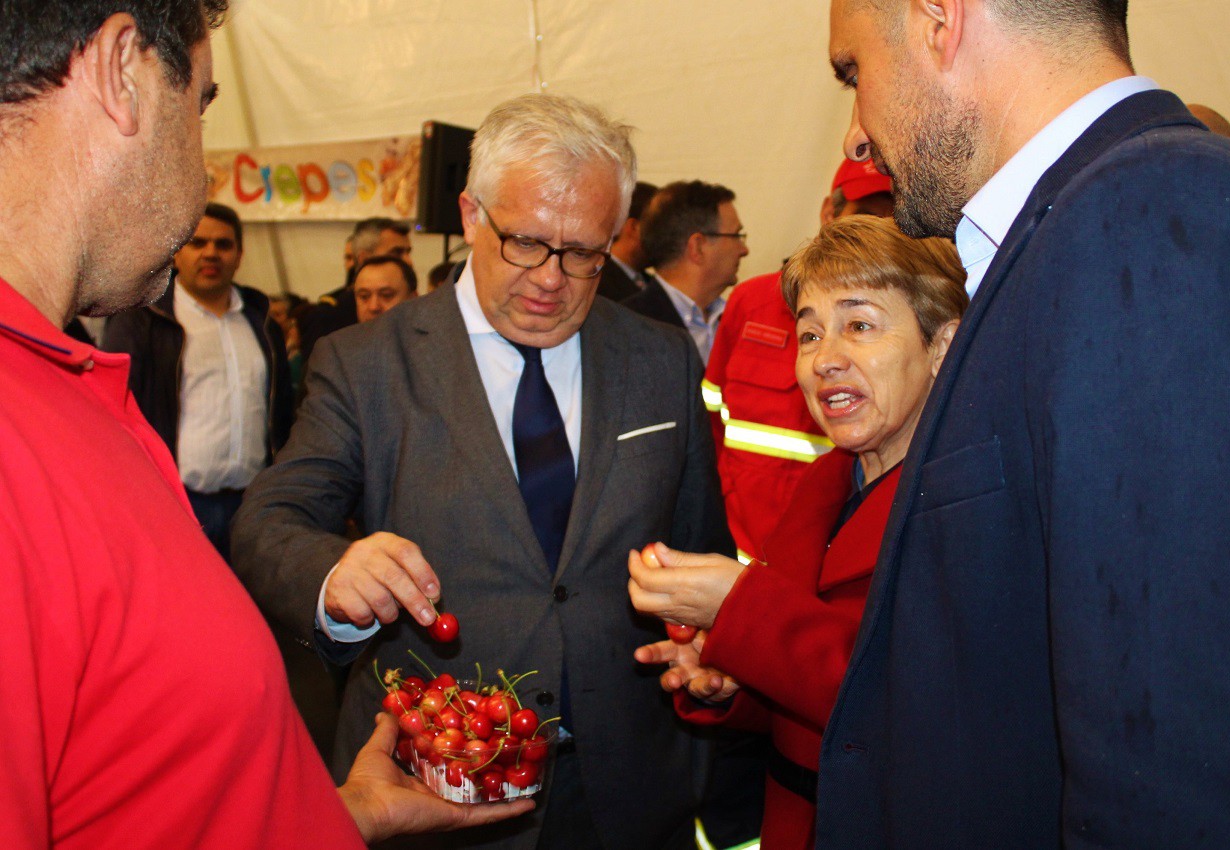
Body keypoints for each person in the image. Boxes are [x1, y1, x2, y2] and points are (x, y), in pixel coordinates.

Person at [0, 1, 531, 847]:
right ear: (121, 70)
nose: (203, 171)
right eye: (202, 104)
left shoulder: (69, 389)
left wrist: (330, 813)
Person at [817, 1, 1230, 847]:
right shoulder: (1079, 228)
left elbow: (1180, 764)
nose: (855, 134)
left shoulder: (1146, 220)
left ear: (937, 20)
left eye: (854, 73)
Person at [230, 92, 732, 850]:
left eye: (583, 254)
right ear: (470, 215)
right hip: (438, 785)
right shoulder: (367, 364)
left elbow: (703, 550)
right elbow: (269, 522)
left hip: (629, 785)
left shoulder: (659, 359)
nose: (551, 280)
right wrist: (338, 577)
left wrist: (710, 651)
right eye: (525, 243)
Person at [629, 216, 966, 850]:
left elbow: (918, 703)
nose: (824, 360)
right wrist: (726, 676)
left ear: (943, 345)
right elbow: (806, 698)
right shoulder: (824, 484)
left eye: (859, 325)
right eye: (809, 334)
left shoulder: (970, 506)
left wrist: (741, 610)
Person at [703, 156, 893, 564]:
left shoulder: (903, 327)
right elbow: (710, 418)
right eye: (864, 215)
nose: (875, 232)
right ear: (830, 212)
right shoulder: (751, 302)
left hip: (835, 553)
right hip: (743, 554)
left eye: (890, 218)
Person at [102, 202, 292, 561]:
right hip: (176, 502)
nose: (211, 253)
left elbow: (282, 411)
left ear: (239, 254)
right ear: (176, 254)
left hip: (252, 504)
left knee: (250, 610)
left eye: (223, 244)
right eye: (198, 243)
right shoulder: (145, 322)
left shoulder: (262, 324)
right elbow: (114, 411)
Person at [623, 180, 749, 365]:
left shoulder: (738, 320)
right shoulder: (629, 326)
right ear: (697, 247)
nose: (744, 250)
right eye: (736, 236)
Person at [301, 217, 413, 359]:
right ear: (364, 259)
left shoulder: (417, 307)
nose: (409, 261)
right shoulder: (330, 317)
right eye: (396, 253)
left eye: (408, 252)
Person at [596, 180, 658, 302]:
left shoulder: (652, 283)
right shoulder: (597, 282)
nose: (667, 238)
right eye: (661, 227)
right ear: (634, 227)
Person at [353, 254, 419, 323]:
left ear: (413, 299)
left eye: (386, 295)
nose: (373, 307)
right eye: (364, 296)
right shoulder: (344, 333)